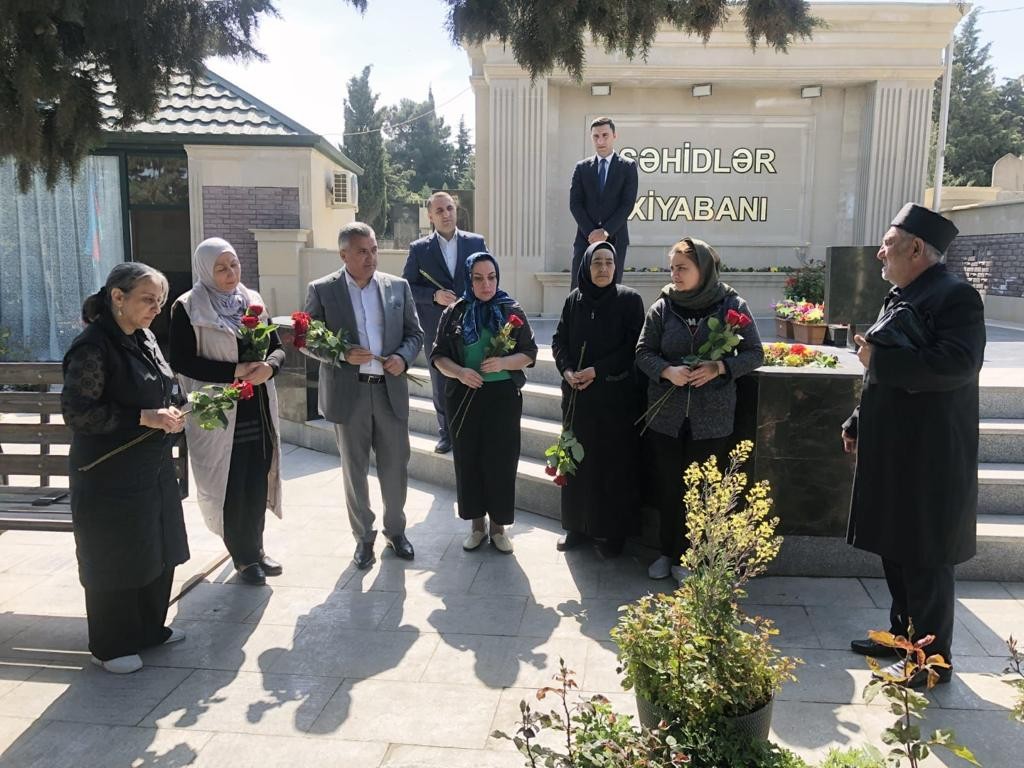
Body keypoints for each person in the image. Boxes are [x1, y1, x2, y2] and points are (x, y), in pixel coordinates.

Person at [843, 203, 985, 687]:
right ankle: (903, 638)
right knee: (896, 547)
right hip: (894, 448)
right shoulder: (901, 294)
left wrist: (878, 362)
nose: (880, 253)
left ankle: (931, 661)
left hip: (930, 455)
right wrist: (858, 420)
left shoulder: (956, 296)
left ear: (917, 248)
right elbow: (880, 370)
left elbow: (957, 365)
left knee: (925, 557)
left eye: (888, 244)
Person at [61, 263, 190, 674]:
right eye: (148, 300)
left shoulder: (144, 336)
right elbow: (78, 413)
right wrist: (144, 417)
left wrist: (175, 408)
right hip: (108, 473)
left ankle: (148, 629)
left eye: (160, 301)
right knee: (115, 554)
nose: (156, 309)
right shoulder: (93, 346)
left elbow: (162, 386)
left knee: (157, 546)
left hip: (150, 466)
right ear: (118, 297)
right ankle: (111, 645)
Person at [636, 238, 764, 582]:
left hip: (712, 418)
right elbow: (643, 352)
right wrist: (667, 371)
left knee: (702, 492)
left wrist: (719, 367)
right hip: (666, 417)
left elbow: (755, 353)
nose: (674, 274)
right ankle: (667, 552)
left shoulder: (731, 305)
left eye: (682, 268)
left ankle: (691, 557)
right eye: (672, 267)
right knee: (668, 488)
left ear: (703, 270)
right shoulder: (663, 307)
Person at [305, 222, 424, 570]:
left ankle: (396, 531)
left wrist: (402, 357)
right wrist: (341, 353)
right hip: (349, 394)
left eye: (373, 250)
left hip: (389, 392)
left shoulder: (397, 287)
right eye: (362, 251)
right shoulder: (323, 290)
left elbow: (415, 334)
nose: (370, 257)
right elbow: (307, 338)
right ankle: (363, 537)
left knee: (395, 467)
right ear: (344, 255)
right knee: (354, 470)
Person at [169, 237, 284, 586]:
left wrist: (270, 367)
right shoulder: (188, 307)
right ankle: (243, 557)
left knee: (256, 478)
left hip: (257, 408)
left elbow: (277, 348)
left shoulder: (251, 301)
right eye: (220, 268)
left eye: (233, 264)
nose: (230, 273)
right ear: (205, 270)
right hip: (219, 413)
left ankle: (257, 548)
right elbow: (182, 361)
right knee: (231, 483)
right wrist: (233, 371)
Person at [431, 252, 538, 554]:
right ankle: (477, 527)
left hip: (502, 397)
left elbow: (529, 353)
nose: (486, 284)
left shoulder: (510, 309)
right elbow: (438, 356)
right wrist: (460, 372)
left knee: (501, 462)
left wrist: (504, 362)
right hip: (464, 396)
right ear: (468, 280)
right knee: (469, 460)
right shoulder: (454, 312)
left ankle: (499, 528)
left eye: (491, 277)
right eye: (478, 278)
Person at [551, 242, 646, 555]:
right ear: (586, 266)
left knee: (612, 465)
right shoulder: (574, 300)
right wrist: (567, 370)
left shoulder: (629, 300)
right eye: (597, 262)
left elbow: (633, 347)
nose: (603, 268)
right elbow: (559, 340)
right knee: (576, 463)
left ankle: (613, 534)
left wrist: (597, 370)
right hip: (577, 398)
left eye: (609, 262)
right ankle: (577, 527)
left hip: (614, 399)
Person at [403, 191, 487, 454]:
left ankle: (473, 430)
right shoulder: (419, 249)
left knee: (473, 374)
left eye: (449, 208)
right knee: (440, 381)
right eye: (439, 210)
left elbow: (489, 277)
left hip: (472, 323)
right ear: (430, 216)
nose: (446, 214)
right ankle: (447, 434)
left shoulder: (476, 242)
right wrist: (433, 296)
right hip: (436, 327)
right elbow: (407, 287)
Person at [569, 116, 639, 288]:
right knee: (579, 290)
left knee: (610, 292)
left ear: (614, 136)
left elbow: (627, 204)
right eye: (596, 136)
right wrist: (592, 233)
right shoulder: (582, 168)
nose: (600, 141)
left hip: (616, 239)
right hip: (585, 239)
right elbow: (575, 204)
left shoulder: (628, 166)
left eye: (605, 135)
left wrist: (606, 231)